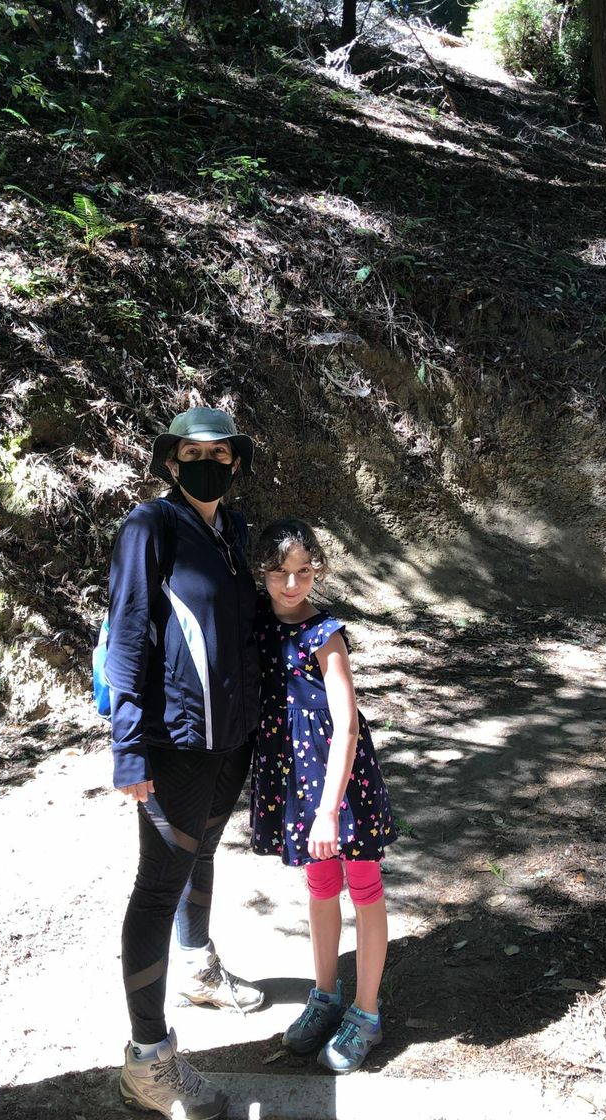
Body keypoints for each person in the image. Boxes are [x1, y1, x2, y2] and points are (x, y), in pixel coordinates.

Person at [106, 407, 263, 1120]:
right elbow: (128, 633)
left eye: (219, 454)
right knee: (158, 885)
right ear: (171, 463)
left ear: (235, 463)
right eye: (192, 454)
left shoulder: (233, 531)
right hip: (174, 741)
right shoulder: (151, 526)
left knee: (204, 850)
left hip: (230, 737)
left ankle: (197, 965)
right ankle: (148, 1059)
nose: (206, 464)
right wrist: (129, 746)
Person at [250, 518, 397, 1074]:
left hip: (340, 785)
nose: (292, 584)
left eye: (304, 571)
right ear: (262, 572)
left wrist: (329, 810)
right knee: (320, 886)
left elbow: (347, 724)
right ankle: (325, 996)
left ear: (318, 571)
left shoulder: (325, 634)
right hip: (295, 779)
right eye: (280, 573)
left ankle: (367, 1012)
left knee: (363, 886)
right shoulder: (258, 624)